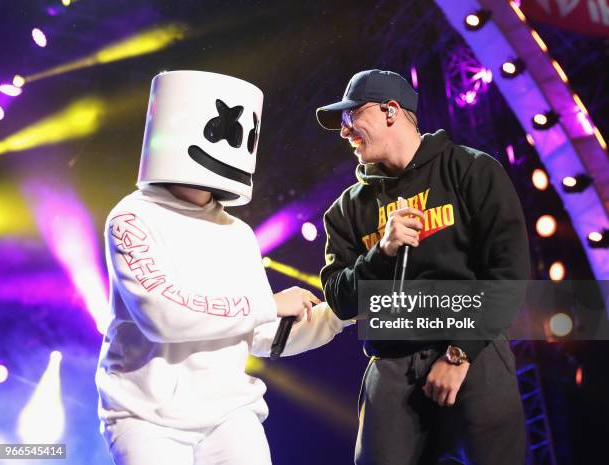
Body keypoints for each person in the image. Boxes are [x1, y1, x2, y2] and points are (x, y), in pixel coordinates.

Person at [96, 70, 351, 465]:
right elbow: (165, 318)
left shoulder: (238, 233)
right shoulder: (131, 219)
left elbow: (263, 336)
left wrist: (341, 310)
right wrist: (270, 304)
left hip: (230, 413)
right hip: (145, 418)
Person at [316, 69, 531, 465]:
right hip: (392, 366)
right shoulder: (345, 211)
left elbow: (509, 272)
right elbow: (341, 301)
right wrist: (382, 252)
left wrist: (458, 355)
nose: (344, 132)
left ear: (391, 111)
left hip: (474, 354)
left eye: (351, 118)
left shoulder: (472, 170)